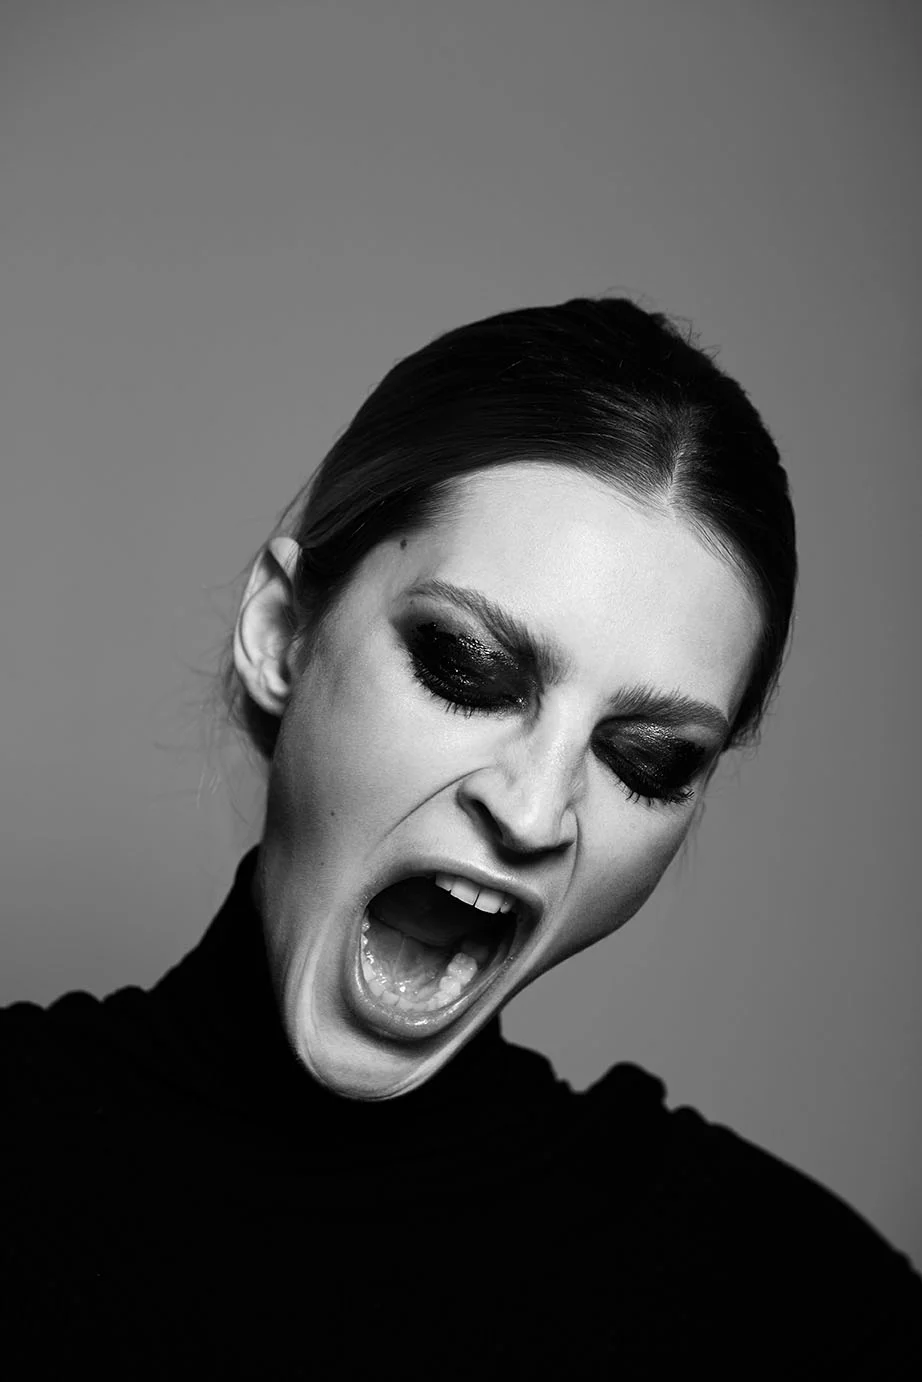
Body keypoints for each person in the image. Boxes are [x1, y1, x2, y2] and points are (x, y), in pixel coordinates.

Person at [3, 298, 919, 1376]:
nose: (532, 813)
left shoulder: (798, 1310)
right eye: (465, 669)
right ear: (282, 632)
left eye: (647, 759)